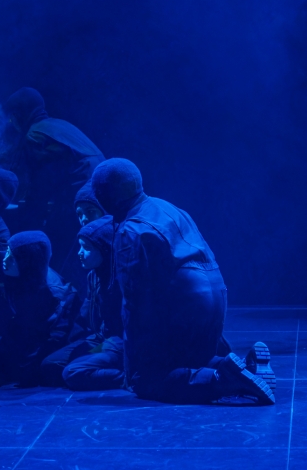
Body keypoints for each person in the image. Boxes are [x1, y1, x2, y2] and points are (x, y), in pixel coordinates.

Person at [91, 158, 274, 405]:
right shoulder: (169, 207)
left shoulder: (129, 230)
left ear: (105, 196)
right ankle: (247, 368)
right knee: (193, 359)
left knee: (146, 380)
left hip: (186, 299)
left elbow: (134, 303)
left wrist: (132, 364)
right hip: (216, 292)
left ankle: (224, 380)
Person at [2, 88, 103, 259]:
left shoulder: (35, 135)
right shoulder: (59, 124)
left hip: (81, 191)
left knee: (56, 247)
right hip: (101, 186)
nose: (12, 124)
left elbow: (41, 185)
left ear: (18, 115)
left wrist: (28, 221)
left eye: (12, 118)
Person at [0, 231, 78, 386]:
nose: (6, 259)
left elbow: (19, 332)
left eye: (12, 257)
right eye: (8, 252)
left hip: (50, 339)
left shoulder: (49, 294)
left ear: (27, 262)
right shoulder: (16, 266)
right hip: (26, 333)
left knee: (31, 371)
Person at [39, 215, 125, 390]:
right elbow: (86, 316)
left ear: (104, 249)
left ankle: (129, 377)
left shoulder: (122, 279)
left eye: (86, 248)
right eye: (80, 246)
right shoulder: (93, 275)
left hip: (118, 342)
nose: (79, 253)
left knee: (72, 372)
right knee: (50, 366)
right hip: (100, 338)